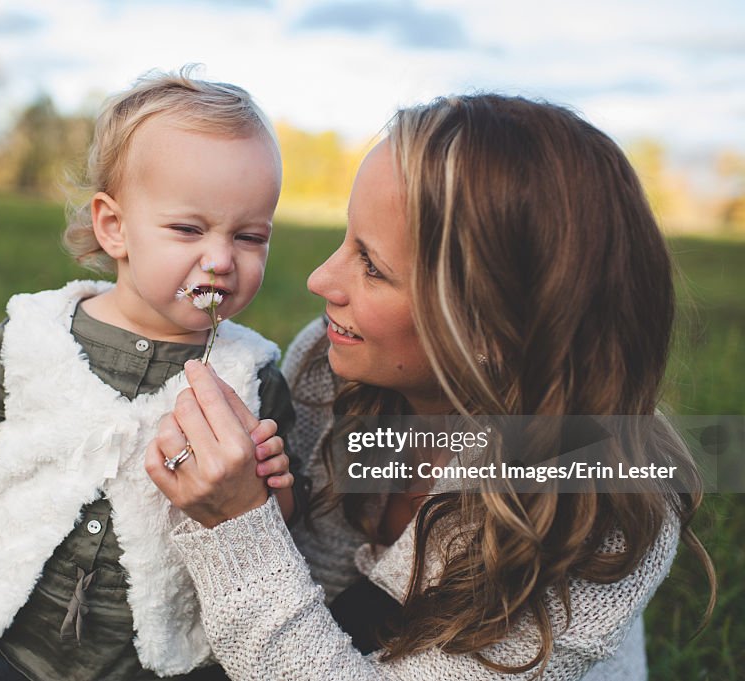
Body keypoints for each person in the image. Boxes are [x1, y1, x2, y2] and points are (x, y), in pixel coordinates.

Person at [147, 94, 715, 679]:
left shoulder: (604, 516)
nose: (321, 279)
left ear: (492, 329)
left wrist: (237, 529)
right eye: (348, 240)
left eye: (372, 266)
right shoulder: (326, 365)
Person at [0, 68, 304, 681]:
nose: (220, 259)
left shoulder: (251, 373)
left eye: (250, 236)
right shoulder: (38, 334)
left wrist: (270, 490)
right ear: (114, 226)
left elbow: (272, 527)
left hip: (155, 660)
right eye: (188, 228)